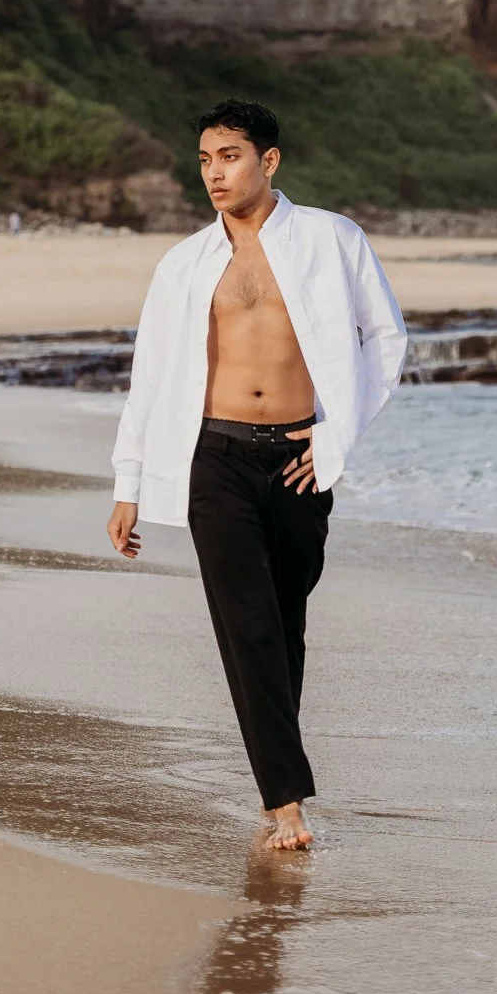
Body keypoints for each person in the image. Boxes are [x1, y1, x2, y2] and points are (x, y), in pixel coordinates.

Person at [106, 100, 407, 849]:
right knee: (247, 629)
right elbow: (149, 378)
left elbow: (386, 340)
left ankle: (275, 769)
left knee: (284, 628)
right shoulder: (182, 265)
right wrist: (128, 483)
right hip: (216, 458)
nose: (215, 172)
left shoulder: (333, 239)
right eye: (205, 158)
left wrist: (335, 437)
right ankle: (285, 804)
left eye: (230, 156)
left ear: (268, 162)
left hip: (301, 463)